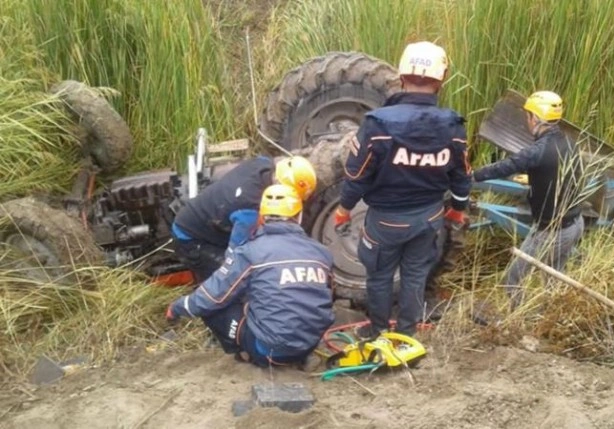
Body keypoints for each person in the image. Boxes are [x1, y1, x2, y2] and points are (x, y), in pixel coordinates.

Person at [333, 41, 472, 339]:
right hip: (429, 218)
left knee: (380, 277)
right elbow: (462, 175)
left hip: (385, 222)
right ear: (440, 80)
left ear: (401, 76)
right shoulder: (453, 125)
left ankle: (378, 330)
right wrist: (458, 209)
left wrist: (344, 210)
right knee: (415, 276)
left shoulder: (378, 123)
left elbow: (356, 175)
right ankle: (407, 334)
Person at [165, 183, 335, 367]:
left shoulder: (250, 251)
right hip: (309, 345)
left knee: (216, 305)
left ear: (261, 217)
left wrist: (177, 307)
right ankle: (299, 356)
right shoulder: (321, 252)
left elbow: (212, 296)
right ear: (299, 216)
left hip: (269, 352)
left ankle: (245, 353)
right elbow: (328, 295)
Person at [471, 90, 585, 313]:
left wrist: (473, 176)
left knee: (512, 279)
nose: (527, 121)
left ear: (535, 118)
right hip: (574, 224)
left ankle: (520, 321)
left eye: (528, 116)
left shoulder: (539, 151)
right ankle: (549, 320)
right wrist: (535, 177)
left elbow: (507, 165)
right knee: (553, 280)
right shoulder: (570, 141)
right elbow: (560, 172)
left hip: (551, 232)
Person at [171, 155, 317, 284]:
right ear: (280, 186)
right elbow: (235, 256)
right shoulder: (249, 209)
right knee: (234, 278)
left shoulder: (263, 162)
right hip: (191, 238)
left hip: (212, 217)